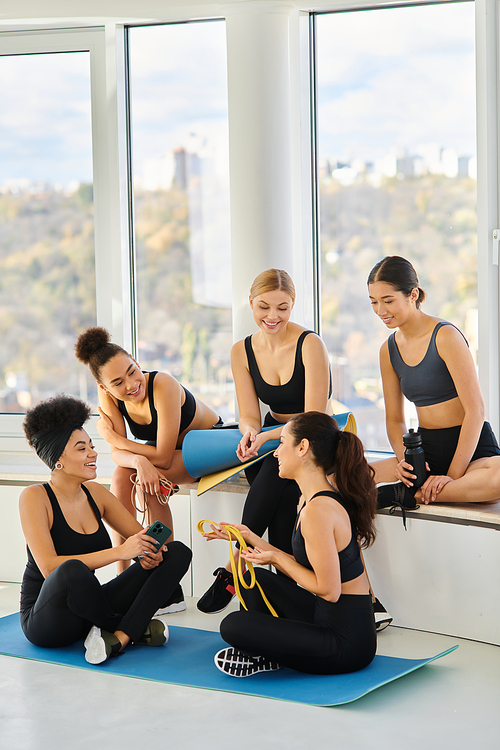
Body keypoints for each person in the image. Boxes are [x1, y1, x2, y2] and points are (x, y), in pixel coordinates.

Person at [201, 411, 377, 677]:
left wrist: (276, 558)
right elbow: (316, 568)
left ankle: (266, 652)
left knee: (232, 625)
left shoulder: (318, 511)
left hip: (346, 643)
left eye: (282, 443)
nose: (276, 453)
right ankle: (267, 651)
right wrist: (247, 536)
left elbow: (329, 591)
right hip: (328, 617)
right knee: (254, 579)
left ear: (303, 447)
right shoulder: (310, 499)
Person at [197, 269, 332, 615]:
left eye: (282, 308)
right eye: (264, 307)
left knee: (276, 475)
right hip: (273, 437)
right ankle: (285, 598)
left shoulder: (310, 344)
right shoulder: (241, 351)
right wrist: (249, 432)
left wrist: (267, 437)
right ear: (251, 304)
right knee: (281, 495)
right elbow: (250, 414)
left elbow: (313, 417)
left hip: (315, 438)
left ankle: (234, 567)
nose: (273, 317)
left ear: (293, 305)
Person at [19, 395, 192, 665]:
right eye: (81, 449)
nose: (93, 453)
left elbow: (140, 539)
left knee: (177, 551)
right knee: (72, 570)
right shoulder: (34, 497)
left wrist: (150, 553)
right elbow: (50, 569)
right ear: (58, 458)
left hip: (89, 608)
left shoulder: (95, 493)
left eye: (91, 445)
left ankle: (121, 635)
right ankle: (130, 627)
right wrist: (120, 551)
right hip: (48, 621)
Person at [75, 326, 218, 612]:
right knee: (121, 475)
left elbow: (162, 457)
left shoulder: (163, 384)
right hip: (160, 453)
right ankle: (124, 575)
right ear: (104, 388)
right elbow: (120, 456)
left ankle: (167, 586)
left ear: (136, 361)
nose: (130, 384)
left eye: (131, 371)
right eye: (117, 382)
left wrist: (118, 440)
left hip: (207, 445)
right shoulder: (110, 397)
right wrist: (138, 460)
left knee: (151, 481)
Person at [368, 255, 500, 506]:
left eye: (388, 301)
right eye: (374, 302)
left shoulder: (446, 336)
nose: (380, 311)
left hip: (469, 448)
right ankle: (412, 488)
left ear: (413, 294)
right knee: (345, 479)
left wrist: (450, 477)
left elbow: (476, 410)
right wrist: (404, 462)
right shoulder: (388, 351)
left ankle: (408, 495)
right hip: (424, 450)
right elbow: (395, 419)